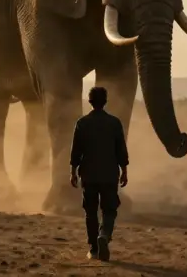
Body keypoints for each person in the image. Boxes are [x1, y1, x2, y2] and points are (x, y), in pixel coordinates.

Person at [70, 86, 129, 261]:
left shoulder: (82, 123)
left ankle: (94, 248)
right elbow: (121, 151)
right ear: (105, 101)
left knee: (90, 211)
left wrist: (73, 172)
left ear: (89, 102)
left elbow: (76, 152)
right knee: (109, 209)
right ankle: (104, 235)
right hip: (110, 174)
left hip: (88, 174)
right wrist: (124, 171)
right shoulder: (115, 122)